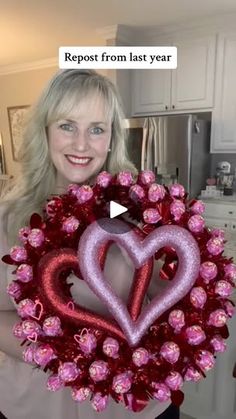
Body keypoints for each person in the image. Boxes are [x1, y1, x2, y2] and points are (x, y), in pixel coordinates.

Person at [0, 69, 179, 419]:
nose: (81, 145)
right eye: (67, 125)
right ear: (45, 131)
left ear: (111, 138)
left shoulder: (137, 211)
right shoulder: (8, 218)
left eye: (96, 129)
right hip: (38, 407)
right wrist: (73, 356)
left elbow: (164, 296)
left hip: (132, 407)